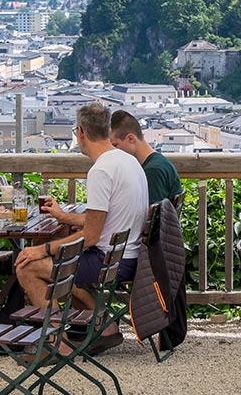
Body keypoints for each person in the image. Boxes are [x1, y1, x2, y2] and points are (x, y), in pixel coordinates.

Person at [14, 103, 148, 356]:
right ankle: (101, 323)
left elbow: (91, 237)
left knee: (28, 267)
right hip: (128, 255)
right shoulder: (128, 162)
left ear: (81, 133)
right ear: (107, 131)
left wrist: (42, 249)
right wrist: (65, 219)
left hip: (109, 261)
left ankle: (58, 344)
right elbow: (103, 221)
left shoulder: (101, 170)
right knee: (60, 266)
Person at [109, 109, 182, 204]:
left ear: (131, 138)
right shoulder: (160, 162)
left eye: (115, 145)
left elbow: (149, 214)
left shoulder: (152, 171)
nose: (113, 150)